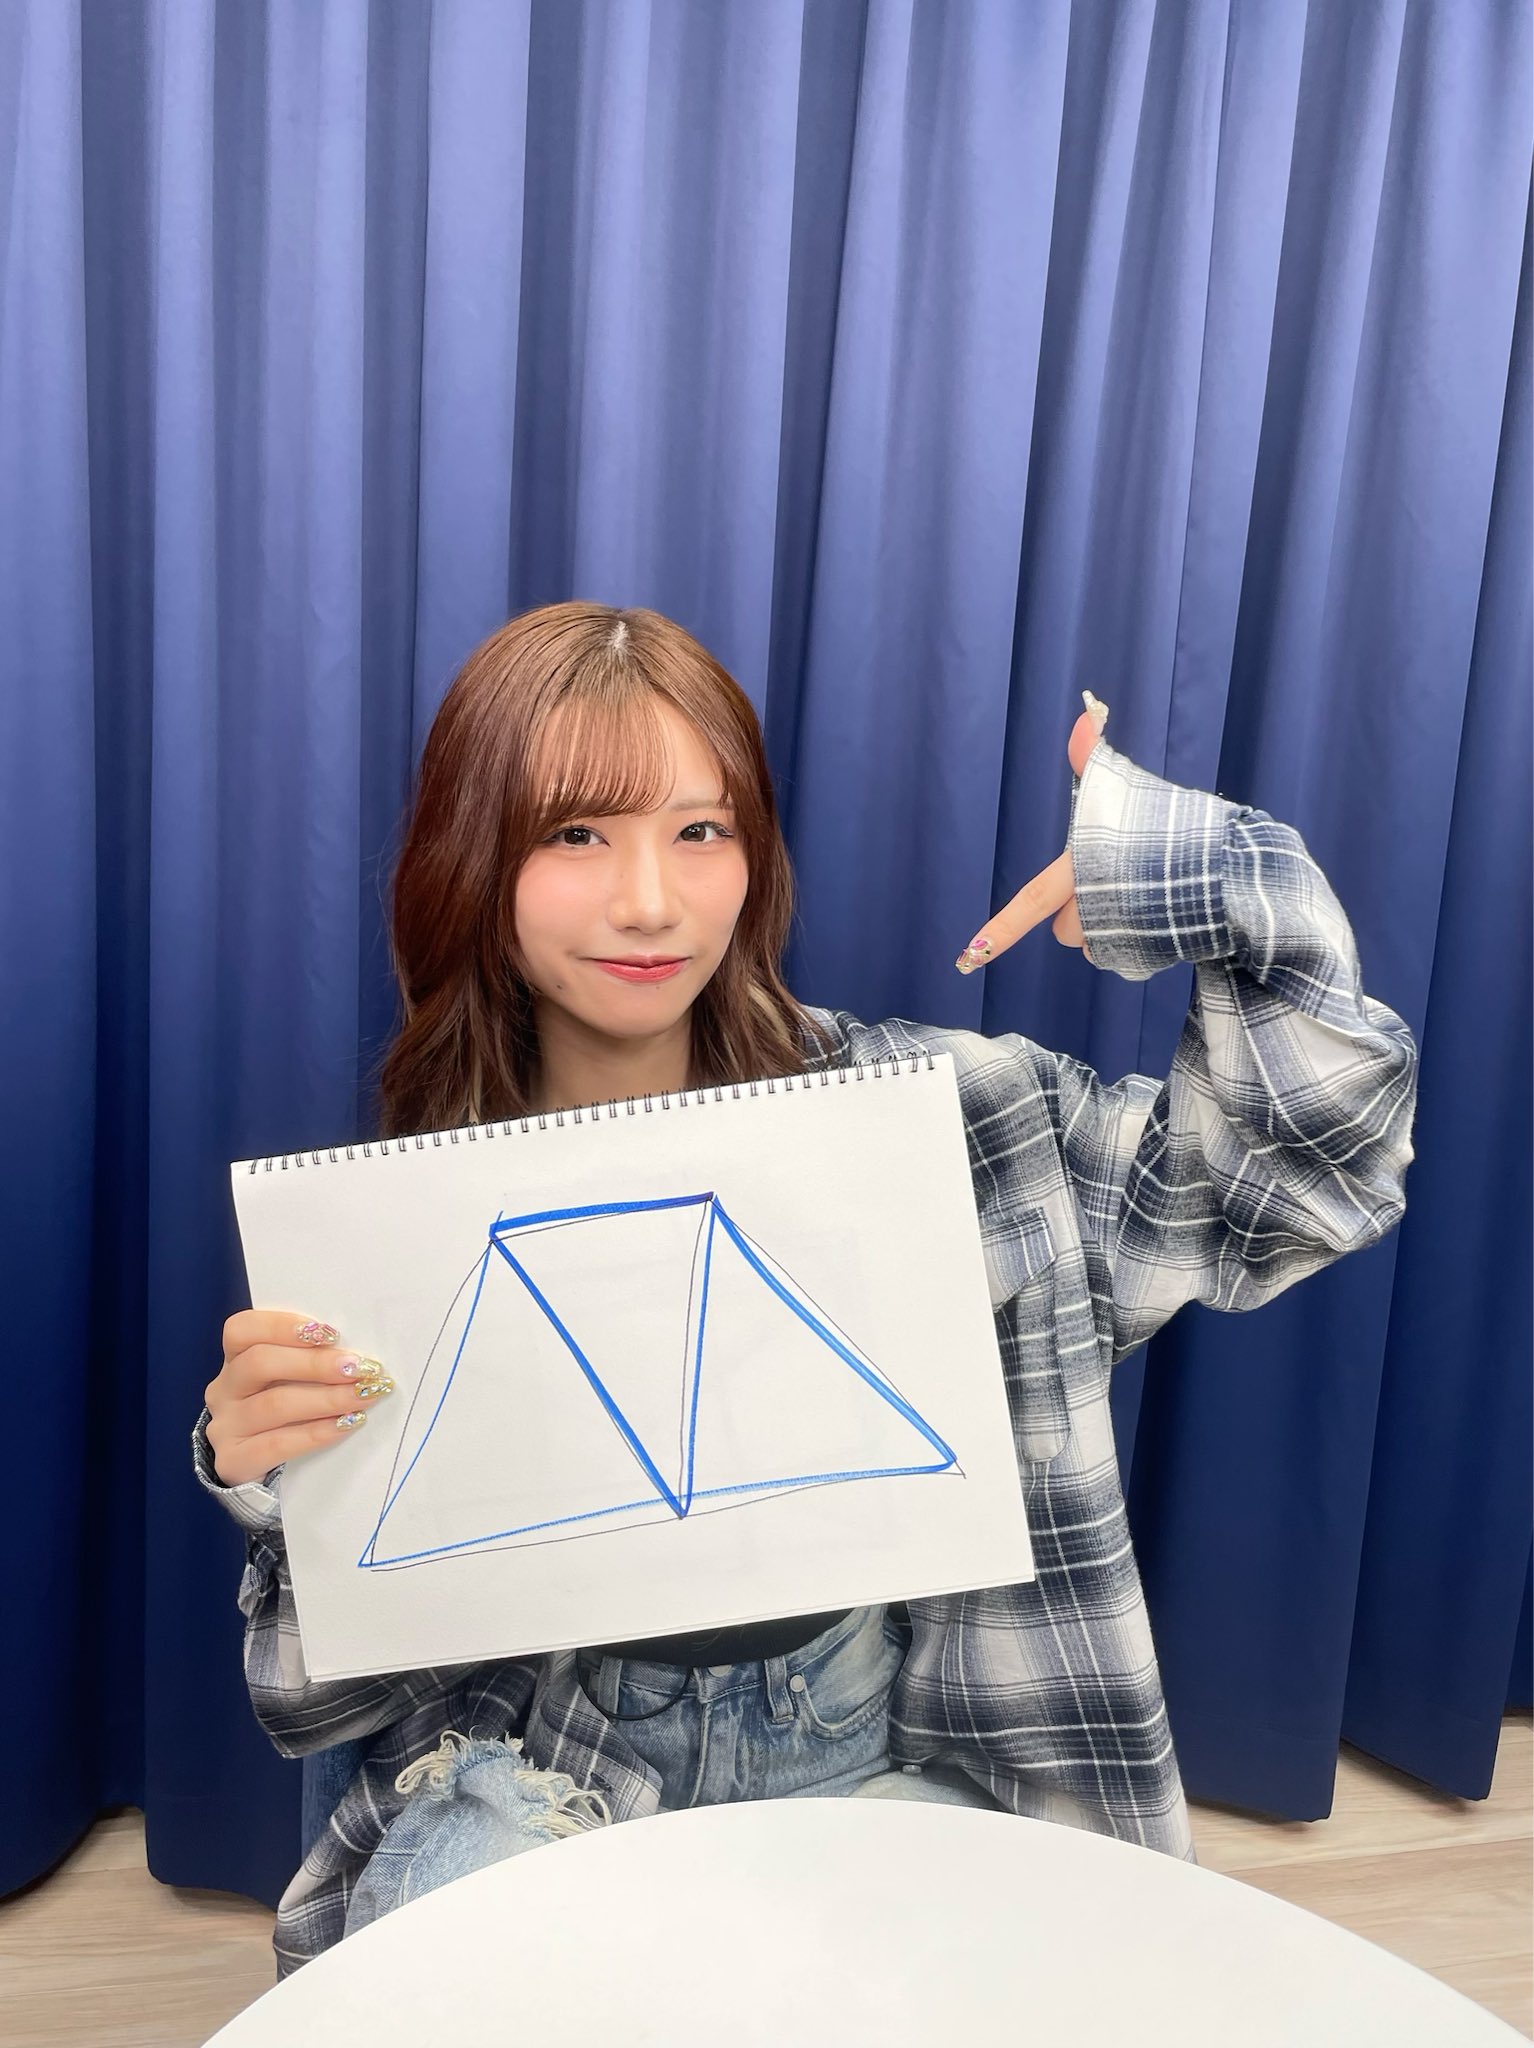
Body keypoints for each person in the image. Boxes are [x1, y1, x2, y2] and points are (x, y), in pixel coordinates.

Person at [196, 603, 1418, 1975]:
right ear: (475, 860)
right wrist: (275, 1479)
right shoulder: (405, 1215)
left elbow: (1307, 1176)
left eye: (699, 831)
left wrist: (1198, 878)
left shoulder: (947, 1121)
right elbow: (315, 1705)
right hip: (547, 1772)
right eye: (575, 834)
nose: (650, 901)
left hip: (896, 1757)